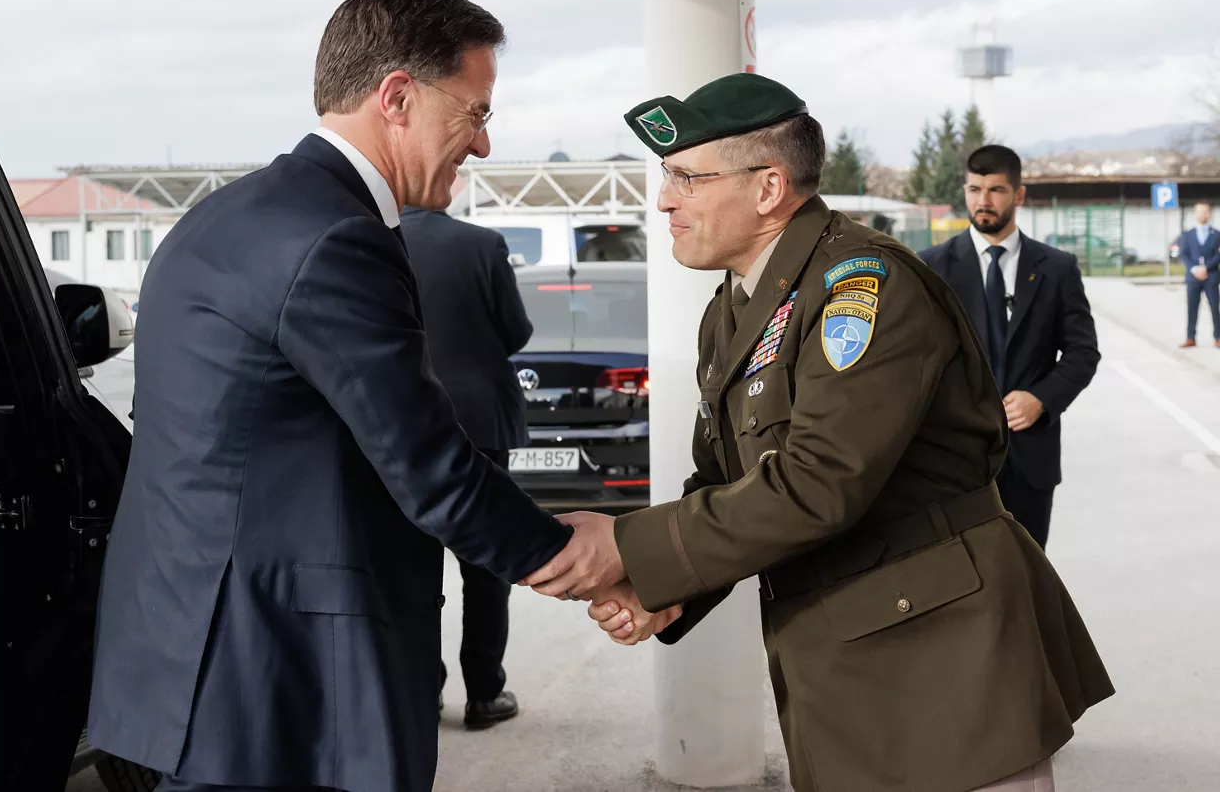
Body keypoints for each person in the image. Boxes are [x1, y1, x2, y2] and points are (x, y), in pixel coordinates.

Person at [86, 0, 611, 792]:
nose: (482, 145)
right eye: (475, 112)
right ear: (397, 96)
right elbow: (428, 464)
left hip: (192, 663)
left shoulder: (227, 215)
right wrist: (583, 557)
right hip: (275, 685)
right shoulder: (334, 237)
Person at [532, 74, 1114, 792]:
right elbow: (728, 487)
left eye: (686, 176)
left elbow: (816, 483)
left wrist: (625, 546)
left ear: (768, 187)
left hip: (946, 672)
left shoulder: (863, 288)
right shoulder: (735, 309)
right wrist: (662, 588)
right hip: (854, 669)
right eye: (666, 176)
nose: (665, 199)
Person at [919, 145, 1100, 550]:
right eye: (974, 188)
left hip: (1030, 462)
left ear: (1018, 195)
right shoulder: (930, 267)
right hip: (953, 464)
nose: (983, 201)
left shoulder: (1057, 269)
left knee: (1028, 588)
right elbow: (914, 360)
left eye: (996, 190)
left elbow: (1083, 352)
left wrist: (1042, 397)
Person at [399, 205, 532, 730]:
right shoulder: (481, 243)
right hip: (479, 419)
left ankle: (419, 691)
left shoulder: (370, 237)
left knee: (412, 562)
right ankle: (484, 692)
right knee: (485, 564)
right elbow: (516, 332)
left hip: (401, 419)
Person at [1177, 201, 1220, 348]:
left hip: (1211, 276)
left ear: (1209, 213)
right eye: (1199, 211)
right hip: (1193, 278)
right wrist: (1194, 269)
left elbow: (1218, 254)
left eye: (1205, 211)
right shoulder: (1187, 235)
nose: (1202, 214)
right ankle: (1190, 337)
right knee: (1192, 307)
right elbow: (1183, 254)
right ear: (1195, 214)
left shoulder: (1217, 234)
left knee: (1215, 307)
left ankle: (1218, 336)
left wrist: (1206, 268)